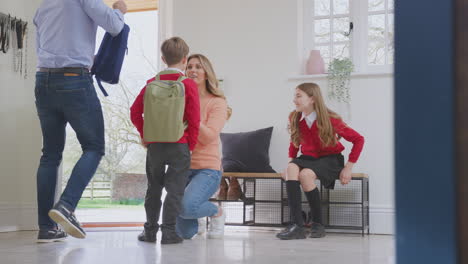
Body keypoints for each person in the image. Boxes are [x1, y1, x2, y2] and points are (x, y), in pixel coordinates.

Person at [33, 0, 127, 243]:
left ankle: (47, 228)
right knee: (94, 147)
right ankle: (66, 205)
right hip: (74, 79)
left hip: (43, 80)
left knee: (50, 155)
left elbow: (42, 47)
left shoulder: (43, 7)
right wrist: (120, 9)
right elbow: (115, 26)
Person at [130, 37, 200, 244]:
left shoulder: (151, 83)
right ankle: (169, 233)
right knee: (175, 190)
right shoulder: (188, 84)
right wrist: (191, 145)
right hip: (179, 144)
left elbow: (135, 112)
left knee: (154, 188)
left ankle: (150, 232)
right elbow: (194, 119)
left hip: (156, 146)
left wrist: (146, 135)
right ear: (185, 60)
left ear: (163, 58)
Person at [277, 82, 364, 240]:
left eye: (298, 96)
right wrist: (291, 165)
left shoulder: (330, 119)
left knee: (305, 176)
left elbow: (359, 139)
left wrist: (348, 167)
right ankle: (297, 226)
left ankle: (318, 223)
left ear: (312, 99)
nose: (294, 100)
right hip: (309, 158)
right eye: (294, 96)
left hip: (330, 159)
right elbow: (294, 143)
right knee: (291, 169)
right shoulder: (294, 116)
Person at [175, 54, 231, 239]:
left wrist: (191, 115)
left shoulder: (217, 102)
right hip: (182, 167)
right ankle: (197, 212)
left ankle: (216, 212)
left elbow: (208, 137)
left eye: (198, 67)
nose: (192, 70)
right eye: (189, 66)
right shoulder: (178, 99)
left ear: (206, 73)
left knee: (186, 207)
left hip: (207, 169)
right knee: (184, 234)